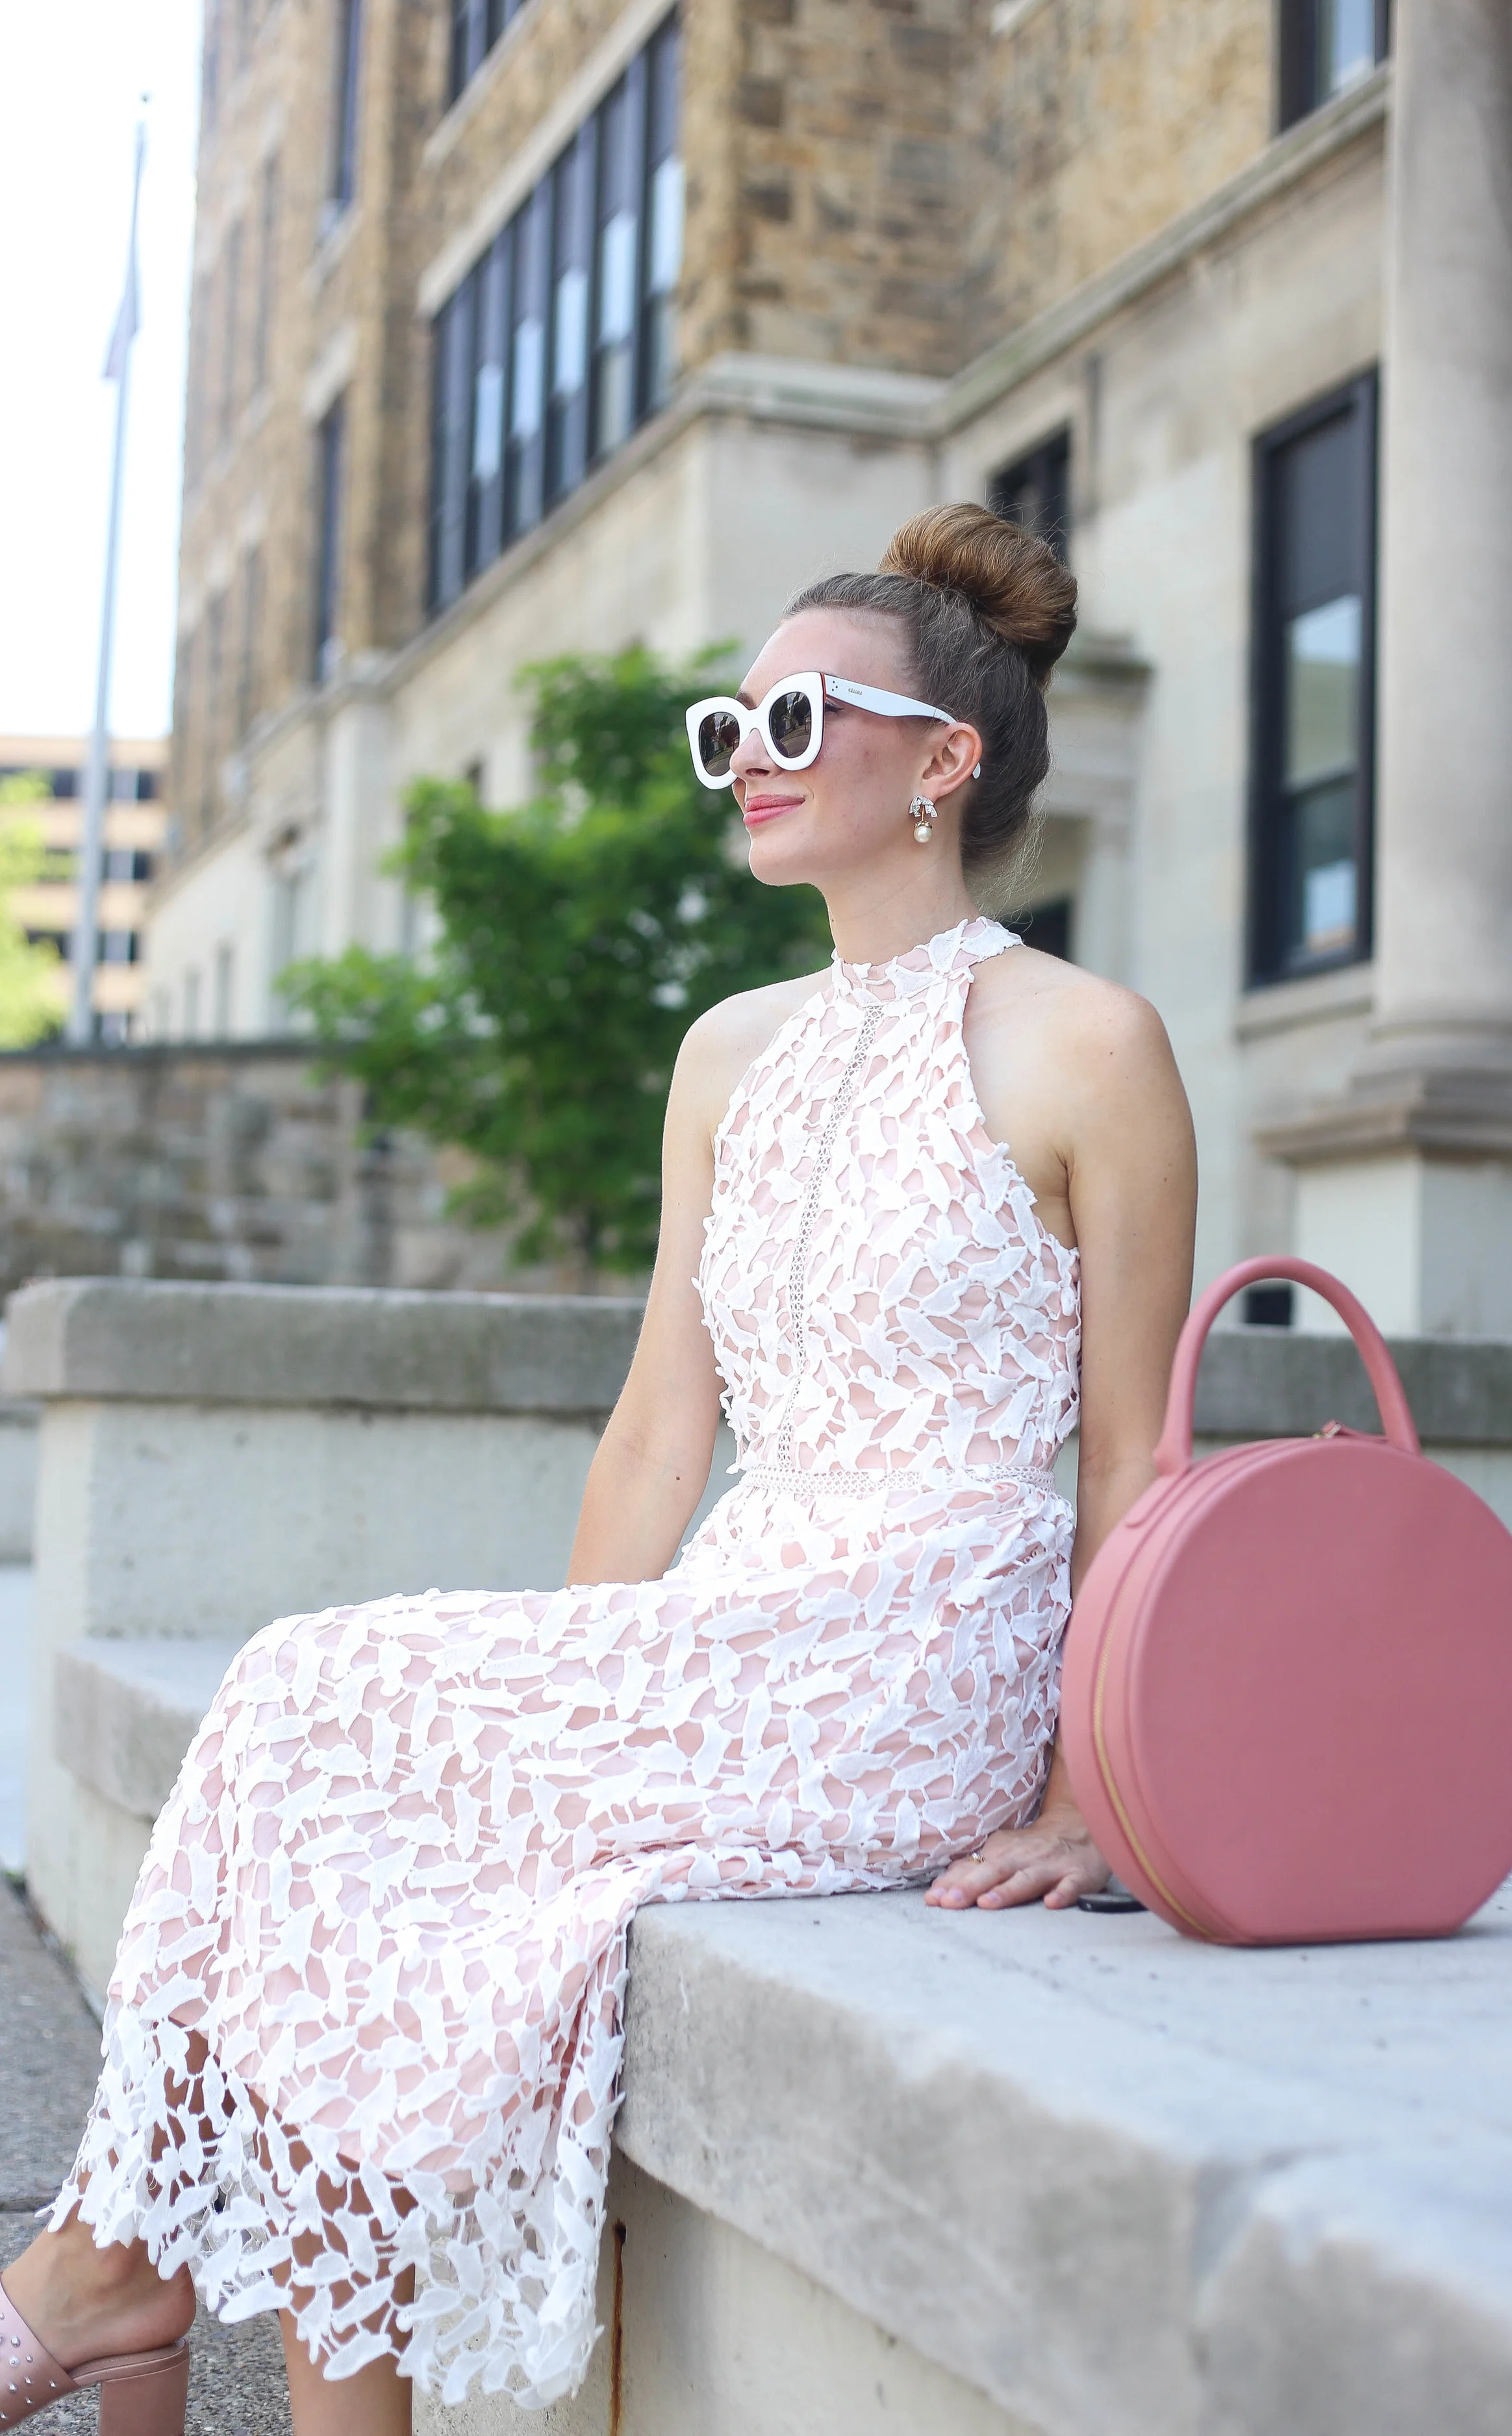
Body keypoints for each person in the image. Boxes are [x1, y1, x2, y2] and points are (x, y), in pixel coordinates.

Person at [0, 505, 1196, 2435]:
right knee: (355, 1787)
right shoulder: (728, 1053)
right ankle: (137, 2288)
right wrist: (565, 1695)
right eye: (730, 730)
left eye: (796, 719)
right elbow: (659, 1426)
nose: (749, 762)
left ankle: (102, 2279)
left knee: (314, 1696)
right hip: (739, 1629)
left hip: (927, 1655)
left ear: (945, 762)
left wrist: (1088, 1798)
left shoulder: (1093, 1043)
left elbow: (1136, 1458)